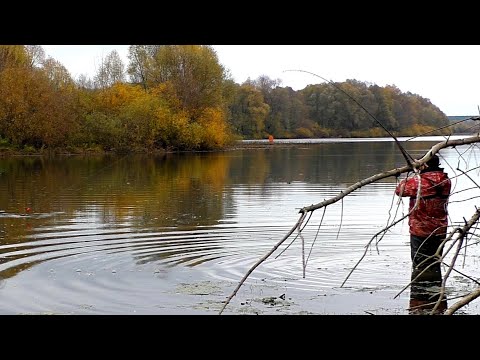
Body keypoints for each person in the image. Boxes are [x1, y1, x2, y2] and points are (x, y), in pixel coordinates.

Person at [395, 154, 451, 314]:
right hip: (440, 229)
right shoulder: (445, 180)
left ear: (424, 166)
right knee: (435, 263)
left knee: (420, 265)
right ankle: (437, 304)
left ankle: (421, 303)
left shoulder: (420, 181)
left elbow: (399, 190)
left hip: (421, 231)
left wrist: (413, 173)